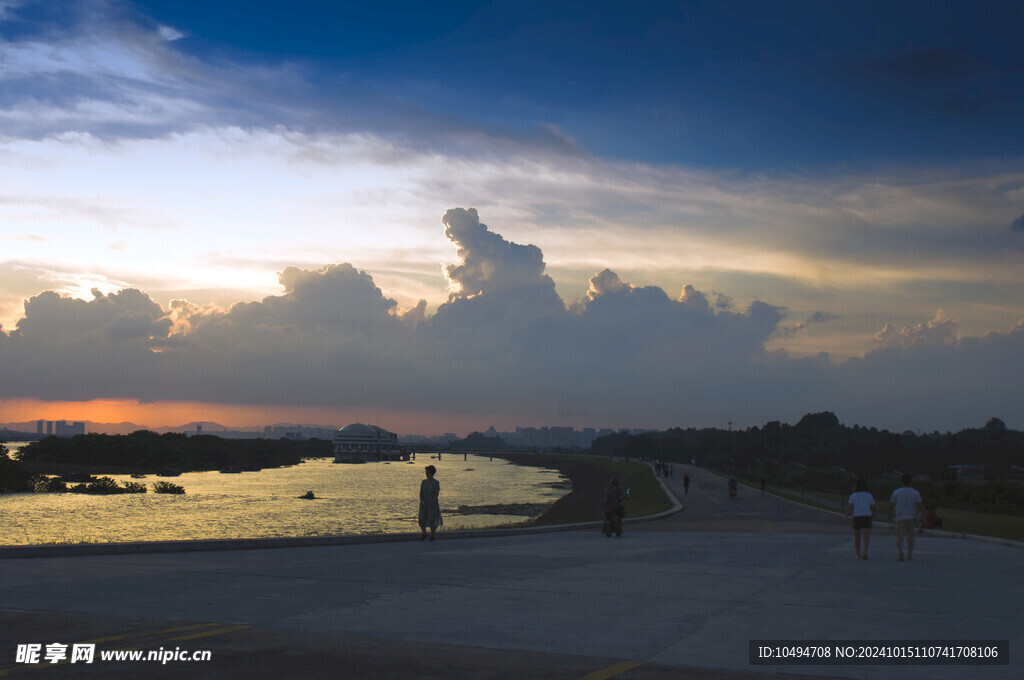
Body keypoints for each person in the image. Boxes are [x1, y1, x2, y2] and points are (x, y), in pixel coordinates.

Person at [888, 473, 923, 561]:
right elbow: (920, 506)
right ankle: (909, 554)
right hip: (911, 517)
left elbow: (891, 505)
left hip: (900, 517)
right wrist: (923, 518)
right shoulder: (915, 493)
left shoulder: (896, 492)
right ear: (911, 482)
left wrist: (890, 515)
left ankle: (900, 553)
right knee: (910, 537)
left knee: (899, 536)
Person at [845, 478, 875, 560]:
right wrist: (873, 514)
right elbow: (872, 507)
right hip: (866, 516)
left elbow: (849, 507)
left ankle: (858, 554)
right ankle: (865, 553)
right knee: (866, 537)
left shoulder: (853, 495)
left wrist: (846, 517)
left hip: (857, 516)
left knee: (857, 537)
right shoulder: (869, 495)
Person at [418, 465, 442, 541]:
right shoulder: (423, 482)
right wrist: (421, 500)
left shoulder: (436, 482)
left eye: (427, 472)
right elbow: (421, 492)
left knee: (432, 519)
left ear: (431, 473)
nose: (426, 474)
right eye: (426, 472)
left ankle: (432, 535)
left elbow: (436, 494)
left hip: (432, 503)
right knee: (421, 519)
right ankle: (424, 533)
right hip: (424, 503)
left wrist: (432, 503)